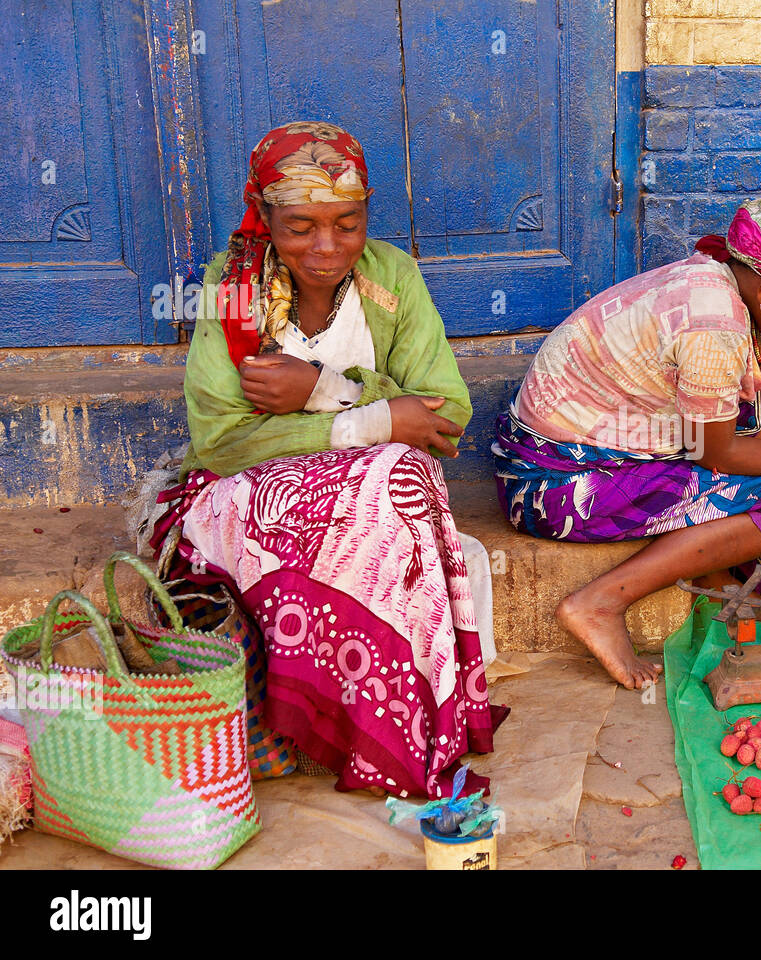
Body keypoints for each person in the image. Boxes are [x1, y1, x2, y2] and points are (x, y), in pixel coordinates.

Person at [152, 121, 505, 800]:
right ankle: (370, 723)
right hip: (244, 494)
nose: (326, 248)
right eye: (300, 227)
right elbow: (223, 442)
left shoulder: (390, 276)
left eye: (348, 223)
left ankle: (377, 717)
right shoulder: (231, 288)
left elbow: (448, 416)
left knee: (397, 480)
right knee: (389, 477)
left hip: (368, 494)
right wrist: (375, 420)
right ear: (265, 216)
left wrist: (326, 389)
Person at [493, 188, 761, 690]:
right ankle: (599, 602)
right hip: (554, 484)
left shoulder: (740, 281)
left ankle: (712, 569)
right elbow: (716, 453)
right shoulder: (715, 326)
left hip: (586, 444)